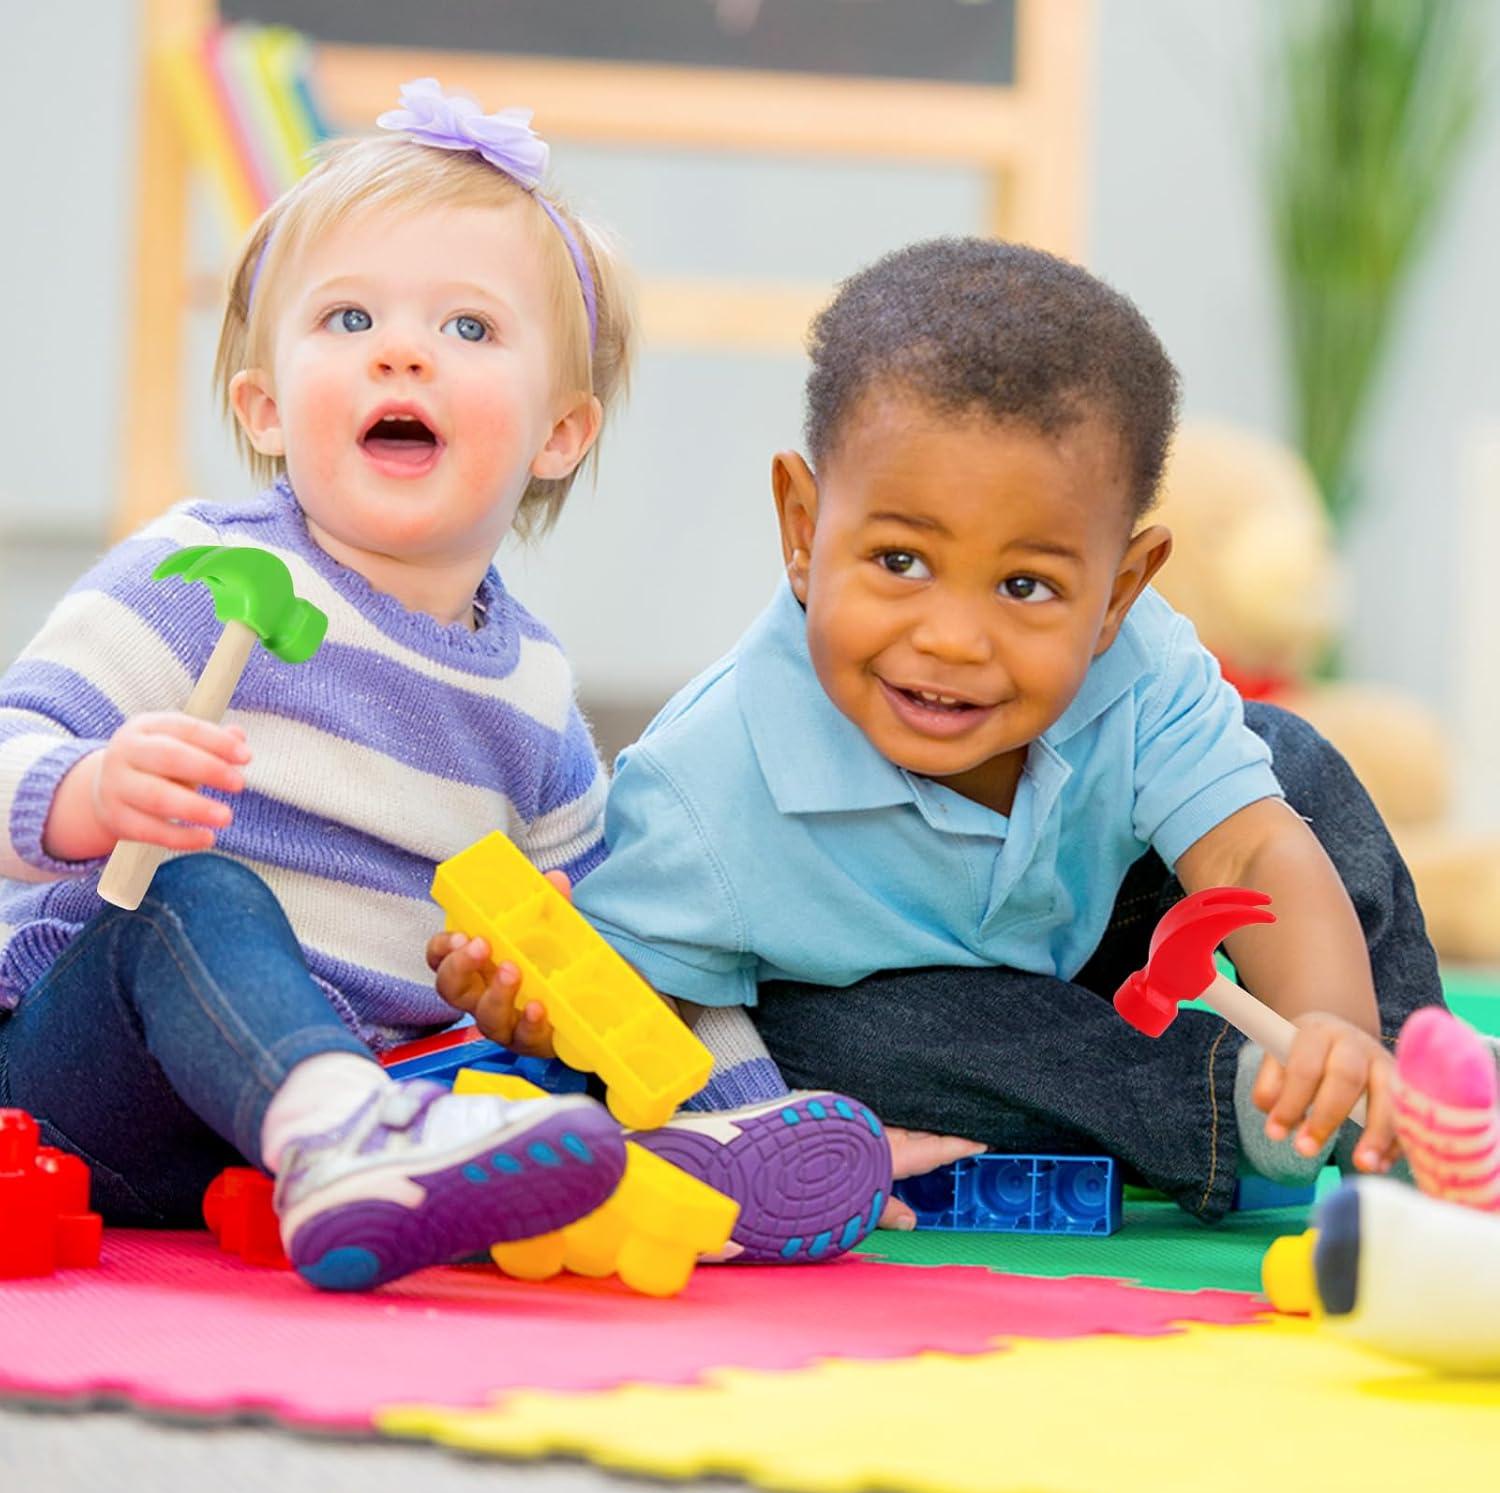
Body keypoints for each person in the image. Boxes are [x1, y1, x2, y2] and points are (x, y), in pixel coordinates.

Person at [562, 238, 1447, 1225]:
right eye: (900, 559)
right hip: (952, 1028)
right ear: (804, 530)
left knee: (1286, 761)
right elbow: (629, 1004)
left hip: (1111, 915)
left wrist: (1328, 1026)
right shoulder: (706, 788)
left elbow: (1246, 846)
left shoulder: (1138, 663)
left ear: (1117, 594)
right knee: (845, 1051)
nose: (951, 639)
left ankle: (1407, 1100)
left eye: (1025, 587)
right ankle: (1225, 1108)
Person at [0, 81, 643, 1290]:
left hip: (366, 1090)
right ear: (266, 408)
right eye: (348, 319)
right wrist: (85, 790)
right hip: (93, 1093)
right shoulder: (202, 575)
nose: (401, 350)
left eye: (469, 329)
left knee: (557, 1068)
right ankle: (344, 1133)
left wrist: (528, 995)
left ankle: (389, 1151)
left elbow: (602, 931)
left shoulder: (538, 695)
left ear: (561, 433)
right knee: (192, 894)